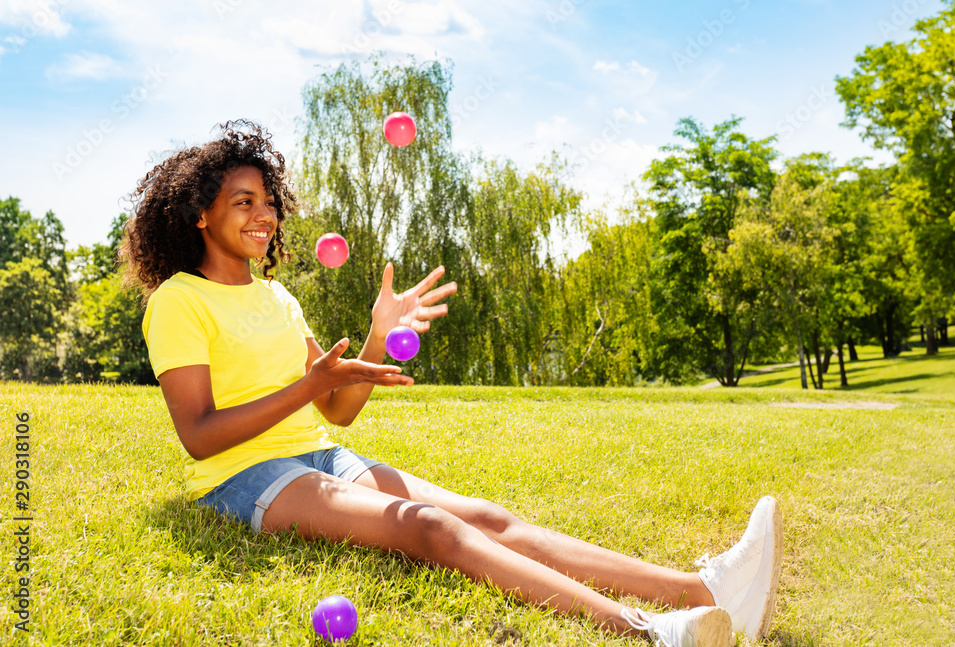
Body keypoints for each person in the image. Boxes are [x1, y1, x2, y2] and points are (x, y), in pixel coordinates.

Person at [122, 120, 783, 647]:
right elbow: (200, 436)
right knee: (430, 528)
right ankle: (651, 631)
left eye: (269, 202)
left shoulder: (275, 296)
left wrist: (379, 333)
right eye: (244, 202)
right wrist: (306, 388)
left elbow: (338, 405)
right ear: (200, 214)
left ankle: (700, 590)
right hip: (243, 478)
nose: (264, 215)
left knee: (490, 517)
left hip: (319, 456)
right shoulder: (179, 300)